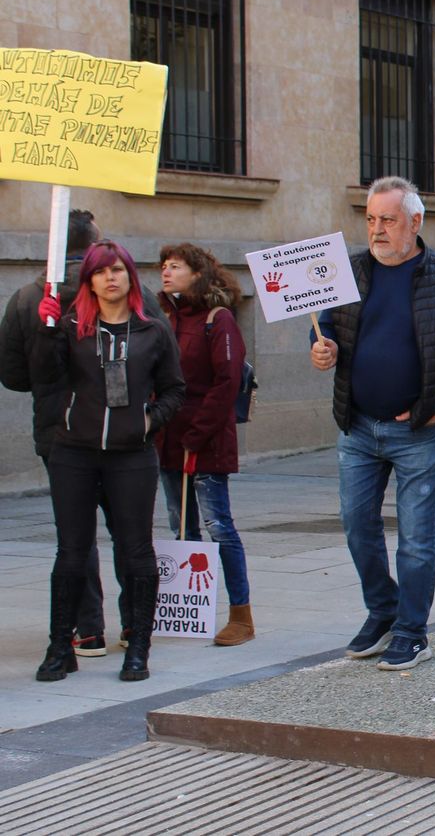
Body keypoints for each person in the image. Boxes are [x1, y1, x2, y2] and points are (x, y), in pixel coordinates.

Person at [310, 176, 435, 671]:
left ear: (415, 222)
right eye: (370, 219)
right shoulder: (347, 271)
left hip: (420, 431)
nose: (377, 229)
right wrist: (322, 349)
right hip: (358, 425)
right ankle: (383, 610)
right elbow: (327, 329)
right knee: (356, 525)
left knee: (417, 536)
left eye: (387, 219)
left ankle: (412, 629)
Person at [1, 209, 162, 657]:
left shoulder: (26, 298)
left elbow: (12, 375)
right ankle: (135, 626)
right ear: (95, 244)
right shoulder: (136, 293)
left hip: (60, 435)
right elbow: (161, 358)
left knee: (74, 539)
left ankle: (87, 629)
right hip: (120, 438)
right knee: (131, 535)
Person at [31, 241, 185, 682]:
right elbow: (43, 376)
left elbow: (175, 388)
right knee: (72, 552)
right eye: (100, 272)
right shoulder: (70, 328)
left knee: (137, 552)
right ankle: (61, 646)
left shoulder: (153, 331)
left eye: (117, 270)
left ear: (130, 277)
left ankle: (138, 647)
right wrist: (45, 330)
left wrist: (148, 421)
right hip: (74, 453)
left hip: (131, 456)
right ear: (89, 282)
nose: (110, 278)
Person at [155, 242, 256, 646]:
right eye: (163, 265)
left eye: (175, 266)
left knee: (219, 527)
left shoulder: (220, 320)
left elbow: (225, 383)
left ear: (197, 273)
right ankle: (189, 611)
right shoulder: (164, 318)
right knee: (180, 526)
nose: (165, 272)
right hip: (167, 439)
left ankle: (240, 615)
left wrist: (196, 435)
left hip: (205, 442)